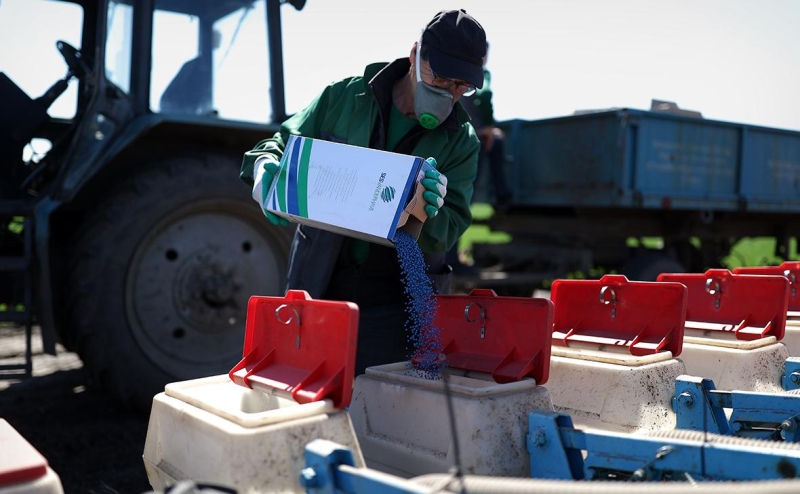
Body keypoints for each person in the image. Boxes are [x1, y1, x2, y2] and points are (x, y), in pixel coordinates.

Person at [240, 9, 487, 375]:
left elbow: (451, 225)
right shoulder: (344, 98)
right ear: (415, 54)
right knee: (307, 392)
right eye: (440, 77)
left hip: (396, 304)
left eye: (460, 86)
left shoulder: (461, 141)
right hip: (320, 286)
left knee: (383, 413)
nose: (448, 92)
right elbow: (276, 145)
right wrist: (265, 175)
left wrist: (428, 212)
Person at [446, 43, 511, 273]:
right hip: (466, 142)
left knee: (453, 200)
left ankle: (450, 258)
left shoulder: (451, 73)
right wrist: (486, 128)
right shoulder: (475, 76)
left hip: (459, 139)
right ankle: (451, 260)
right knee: (459, 201)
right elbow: (484, 97)